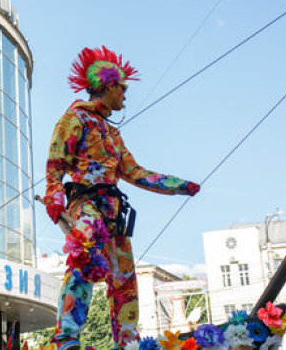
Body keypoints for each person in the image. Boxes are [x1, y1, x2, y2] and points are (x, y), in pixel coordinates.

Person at [42, 46, 200, 350]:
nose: (126, 95)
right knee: (85, 253)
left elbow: (136, 172)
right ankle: (66, 337)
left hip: (114, 212)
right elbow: (55, 167)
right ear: (110, 86)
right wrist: (55, 203)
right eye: (123, 87)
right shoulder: (74, 119)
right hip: (86, 204)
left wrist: (179, 186)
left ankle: (126, 341)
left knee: (125, 275)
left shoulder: (112, 135)